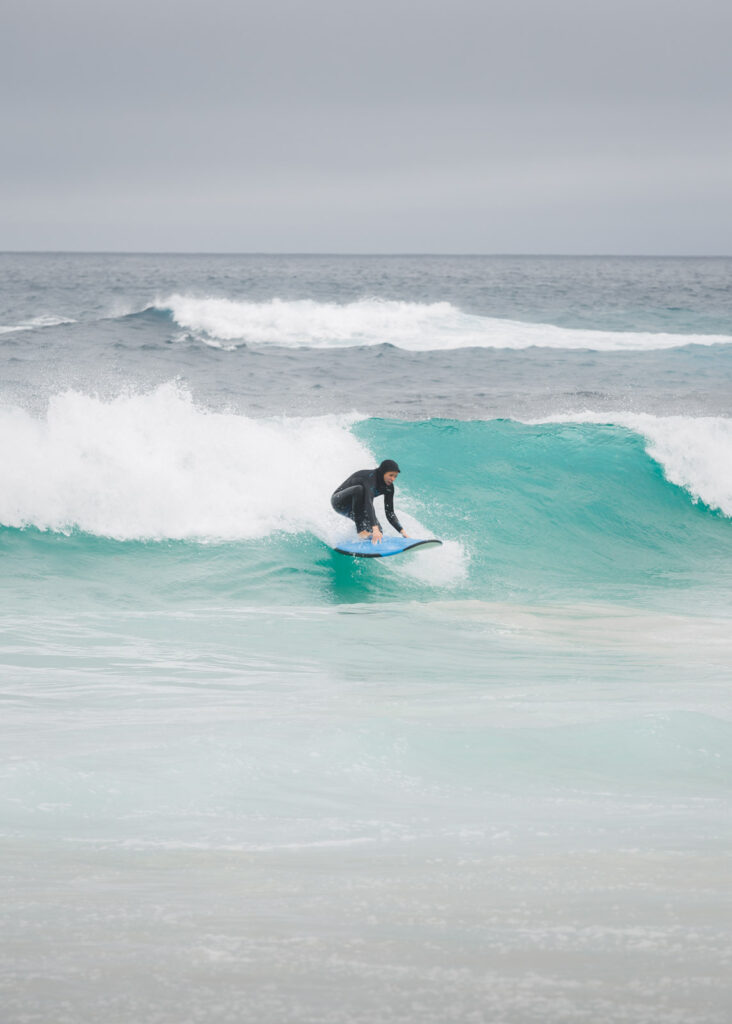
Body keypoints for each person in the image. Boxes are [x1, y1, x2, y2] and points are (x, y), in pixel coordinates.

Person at [331, 459, 409, 544]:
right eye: (391, 475)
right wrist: (374, 528)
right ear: (383, 472)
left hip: (356, 507)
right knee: (359, 489)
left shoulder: (389, 488)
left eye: (395, 476)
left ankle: (355, 540)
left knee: (379, 532)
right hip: (340, 502)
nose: (393, 479)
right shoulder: (370, 478)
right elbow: (368, 502)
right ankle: (361, 531)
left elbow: (390, 512)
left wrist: (403, 532)